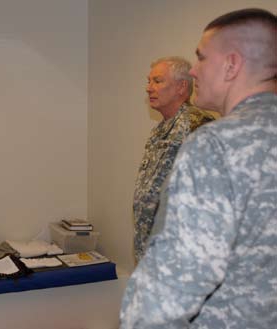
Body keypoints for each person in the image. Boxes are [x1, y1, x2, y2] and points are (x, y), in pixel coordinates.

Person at [121, 8, 277, 329]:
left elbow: (175, 282)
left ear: (232, 65)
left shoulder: (216, 143)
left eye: (202, 58)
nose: (194, 71)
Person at [133, 56, 214, 262]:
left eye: (157, 81)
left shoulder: (196, 124)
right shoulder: (160, 129)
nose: (149, 88)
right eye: (148, 81)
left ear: (181, 87)